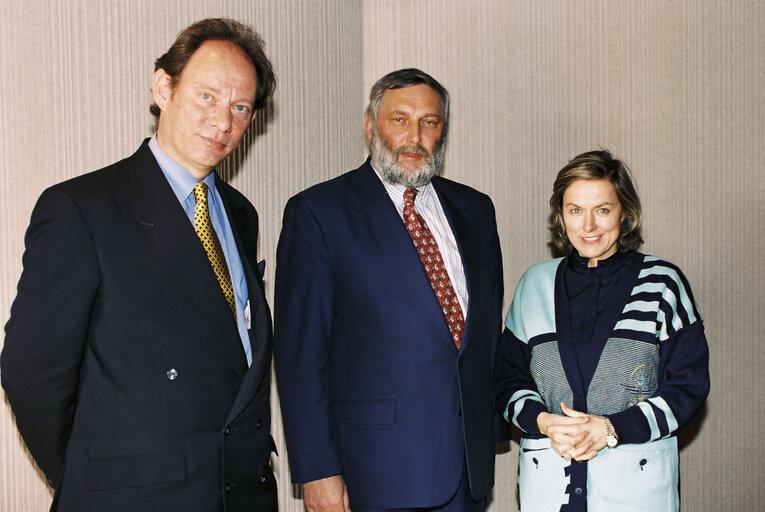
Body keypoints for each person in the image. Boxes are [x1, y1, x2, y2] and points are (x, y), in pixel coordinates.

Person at [1, 18, 277, 511]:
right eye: (207, 97)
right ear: (163, 87)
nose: (222, 122)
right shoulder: (82, 208)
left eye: (240, 107)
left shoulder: (240, 214)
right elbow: (31, 372)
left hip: (240, 492)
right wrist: (95, 477)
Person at [273, 68, 504, 512]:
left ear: (443, 131)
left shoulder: (476, 209)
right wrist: (318, 471)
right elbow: (302, 356)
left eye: (429, 122)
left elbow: (485, 330)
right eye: (399, 119)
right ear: (370, 125)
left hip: (466, 470)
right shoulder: (319, 213)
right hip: (374, 474)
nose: (414, 136)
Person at [494, 149, 710, 511]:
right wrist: (544, 422)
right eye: (575, 210)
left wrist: (611, 428)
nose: (588, 226)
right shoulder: (534, 284)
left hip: (635, 489)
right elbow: (506, 381)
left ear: (625, 213)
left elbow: (688, 387)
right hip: (547, 486)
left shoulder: (663, 283)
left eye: (603, 210)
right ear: (561, 216)